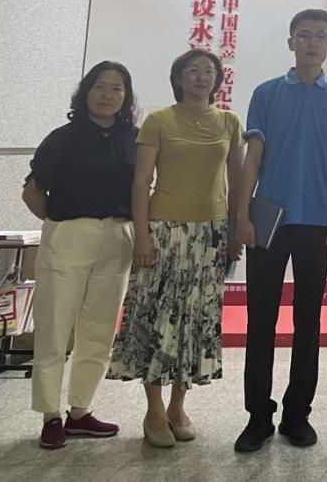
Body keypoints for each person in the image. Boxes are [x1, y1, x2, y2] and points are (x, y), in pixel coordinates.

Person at [234, 9, 327, 452]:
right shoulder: (267, 93)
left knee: (309, 319)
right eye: (304, 35)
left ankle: (297, 415)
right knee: (261, 319)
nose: (312, 42)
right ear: (291, 42)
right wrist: (242, 214)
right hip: (267, 218)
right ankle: (257, 417)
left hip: (315, 220)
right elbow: (253, 156)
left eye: (320, 36)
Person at [108, 49, 243, 446]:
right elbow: (140, 183)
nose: (201, 76)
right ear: (178, 78)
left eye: (209, 71)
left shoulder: (229, 122)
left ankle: (178, 406)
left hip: (210, 236)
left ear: (217, 80)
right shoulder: (159, 121)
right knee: (155, 317)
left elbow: (238, 183)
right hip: (164, 233)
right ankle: (153, 409)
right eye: (193, 70)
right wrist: (142, 235)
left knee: (194, 321)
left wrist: (235, 231)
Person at [23, 62, 137, 450]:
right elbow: (32, 192)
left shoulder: (133, 139)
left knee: (99, 330)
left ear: (126, 96)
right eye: (100, 86)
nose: (108, 94)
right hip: (69, 234)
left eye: (117, 88)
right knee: (54, 328)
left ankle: (80, 411)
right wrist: (61, 222)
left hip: (117, 237)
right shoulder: (62, 138)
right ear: (85, 92)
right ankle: (50, 415)